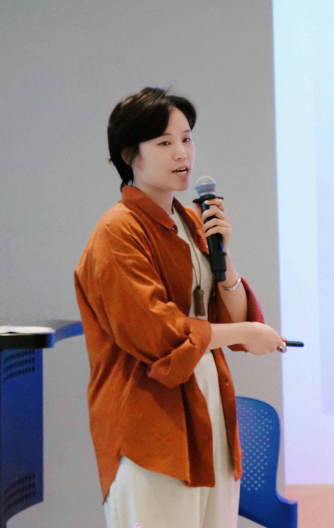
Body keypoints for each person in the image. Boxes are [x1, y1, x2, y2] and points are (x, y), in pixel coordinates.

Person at [74, 87, 286, 528]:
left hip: (209, 410)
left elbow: (229, 313)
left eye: (187, 139)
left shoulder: (192, 220)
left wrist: (224, 259)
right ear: (129, 155)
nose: (181, 153)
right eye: (164, 142)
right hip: (151, 424)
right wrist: (245, 334)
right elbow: (158, 333)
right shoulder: (117, 231)